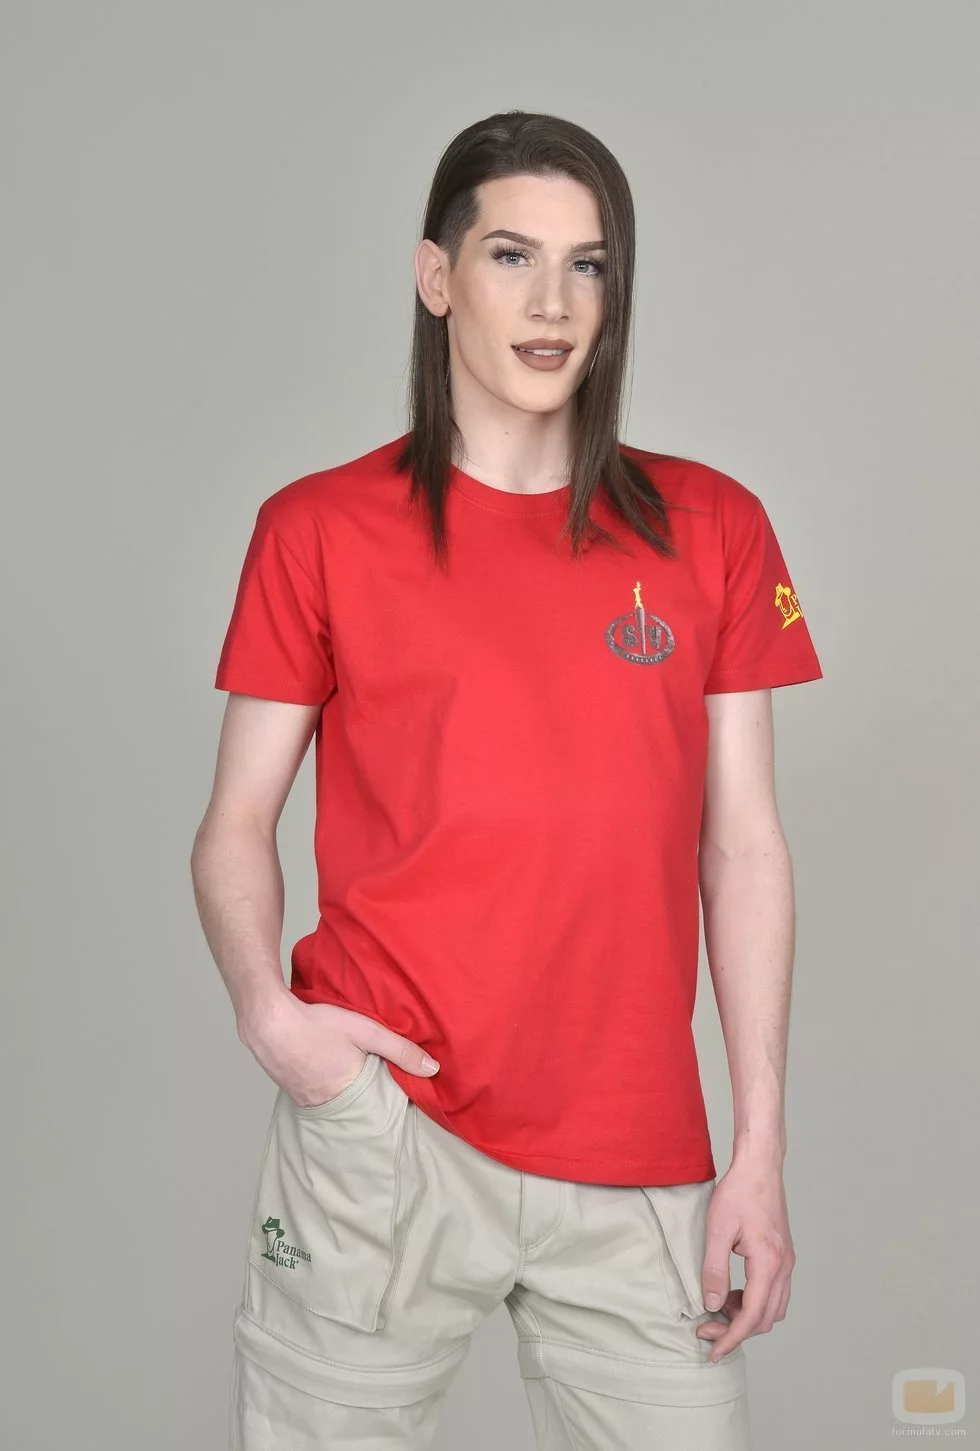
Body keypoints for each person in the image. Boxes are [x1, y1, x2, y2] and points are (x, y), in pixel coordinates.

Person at [191, 109, 823, 1451]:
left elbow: (744, 848)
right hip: (386, 1130)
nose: (552, 304)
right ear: (437, 278)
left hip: (638, 1150)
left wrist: (760, 1146)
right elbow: (236, 822)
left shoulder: (714, 526)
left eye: (588, 264)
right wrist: (271, 1017)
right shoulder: (315, 530)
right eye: (512, 256)